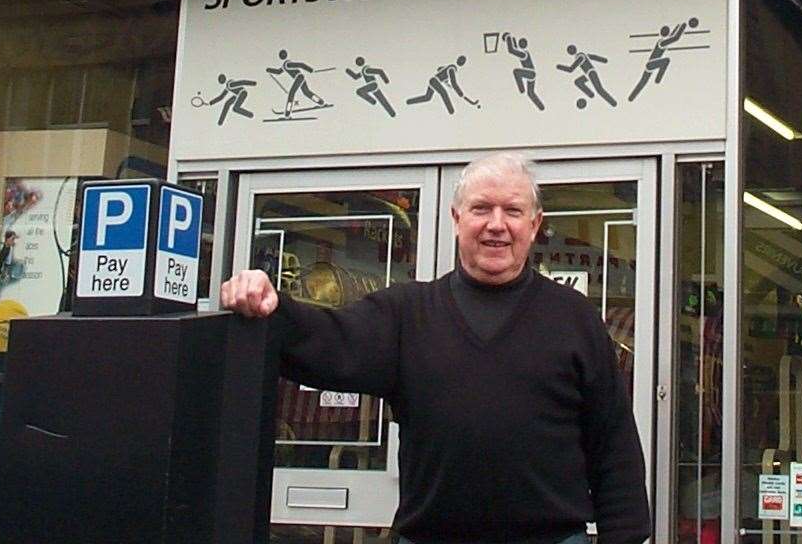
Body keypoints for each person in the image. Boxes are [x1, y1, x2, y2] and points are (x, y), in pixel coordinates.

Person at [221, 152, 651, 544]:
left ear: (535, 224)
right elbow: (324, 342)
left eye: (513, 211)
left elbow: (614, 444)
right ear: (457, 218)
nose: (496, 224)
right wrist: (268, 307)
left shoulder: (573, 318)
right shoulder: (407, 314)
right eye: (482, 208)